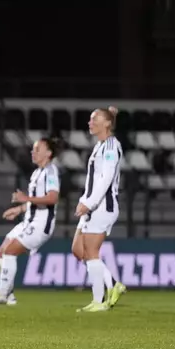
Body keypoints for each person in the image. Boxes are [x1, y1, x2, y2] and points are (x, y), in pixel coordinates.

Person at [0, 138, 61, 305]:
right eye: (33, 149)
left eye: (37, 149)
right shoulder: (36, 173)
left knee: (10, 252)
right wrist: (19, 209)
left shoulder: (50, 171)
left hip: (41, 224)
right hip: (28, 221)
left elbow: (53, 198)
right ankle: (9, 295)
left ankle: (2, 294)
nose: (33, 152)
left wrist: (25, 198)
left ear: (48, 153)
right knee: (1, 252)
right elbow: (35, 201)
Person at [73, 106, 127, 312]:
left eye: (94, 119)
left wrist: (90, 203)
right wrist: (84, 201)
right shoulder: (101, 145)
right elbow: (94, 180)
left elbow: (106, 179)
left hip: (103, 205)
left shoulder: (112, 147)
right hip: (93, 205)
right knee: (79, 250)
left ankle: (99, 301)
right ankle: (113, 284)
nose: (90, 122)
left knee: (91, 251)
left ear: (106, 123)